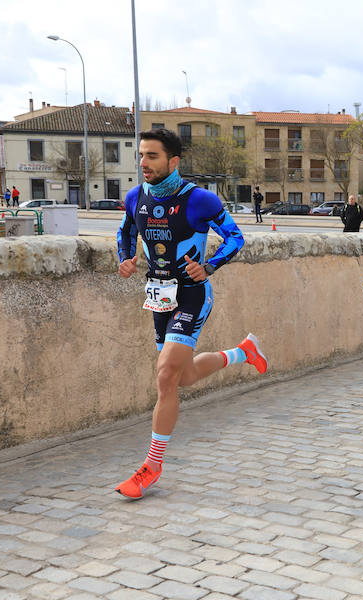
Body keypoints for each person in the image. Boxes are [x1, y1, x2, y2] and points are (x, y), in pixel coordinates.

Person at [115, 128, 266, 499]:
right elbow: (124, 234)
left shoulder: (198, 200)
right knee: (182, 378)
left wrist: (210, 266)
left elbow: (235, 238)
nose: (144, 163)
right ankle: (242, 352)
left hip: (192, 295)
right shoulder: (135, 197)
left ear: (173, 161)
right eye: (141, 155)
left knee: (165, 374)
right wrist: (125, 259)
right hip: (159, 297)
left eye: (152, 156)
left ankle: (151, 466)